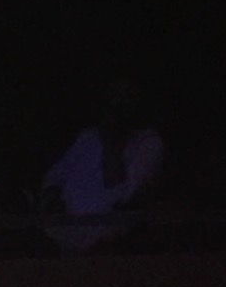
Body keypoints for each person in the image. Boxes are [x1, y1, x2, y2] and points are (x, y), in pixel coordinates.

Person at [40, 79, 165, 252]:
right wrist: (53, 197)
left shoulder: (147, 143)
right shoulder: (88, 138)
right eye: (113, 99)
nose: (116, 107)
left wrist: (112, 143)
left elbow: (124, 195)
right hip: (63, 239)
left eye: (125, 101)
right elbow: (54, 177)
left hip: (108, 247)